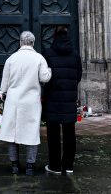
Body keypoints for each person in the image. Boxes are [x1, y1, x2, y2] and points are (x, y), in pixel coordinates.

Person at [0, 31, 52, 176]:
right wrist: (50, 70)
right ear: (33, 43)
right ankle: (30, 166)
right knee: (31, 133)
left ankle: (15, 165)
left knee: (12, 134)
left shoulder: (11, 59)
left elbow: (4, 84)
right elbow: (45, 78)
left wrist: (2, 93)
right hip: (31, 101)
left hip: (13, 100)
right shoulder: (38, 58)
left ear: (20, 42)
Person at [42, 26, 83, 175]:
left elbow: (44, 76)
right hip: (69, 98)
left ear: (54, 37)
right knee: (69, 133)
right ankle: (68, 165)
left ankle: (54, 166)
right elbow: (78, 75)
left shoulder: (48, 53)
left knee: (53, 134)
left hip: (52, 98)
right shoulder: (75, 54)